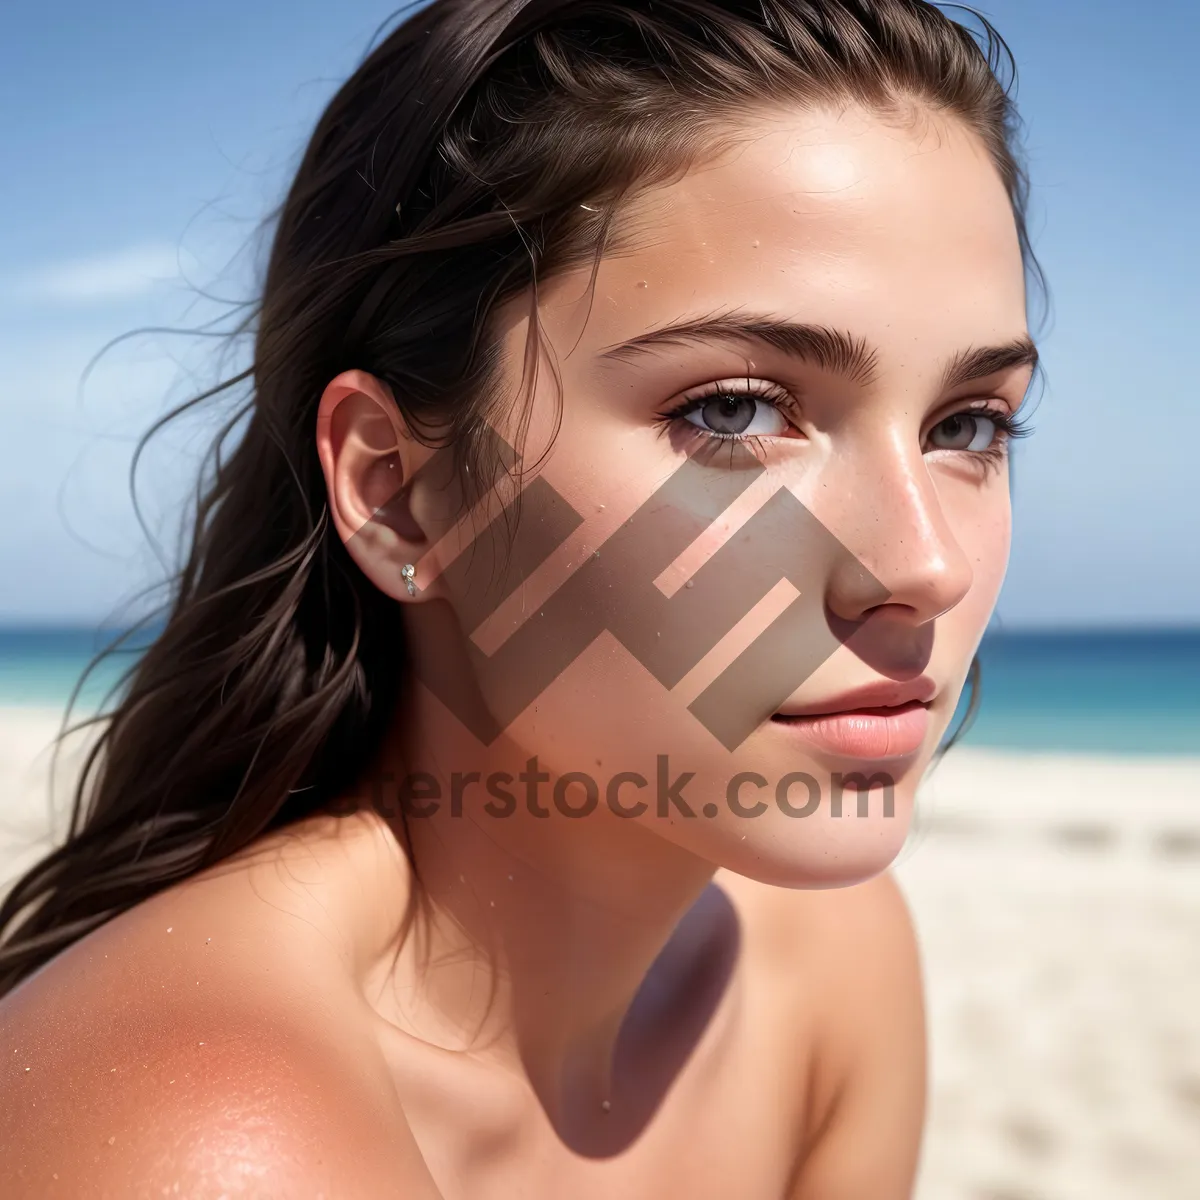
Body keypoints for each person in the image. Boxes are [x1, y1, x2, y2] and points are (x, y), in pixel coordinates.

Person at [0, 1, 1042, 1195]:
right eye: (734, 412)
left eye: (968, 426)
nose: (924, 565)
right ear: (398, 491)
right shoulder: (194, 1138)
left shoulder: (832, 979)